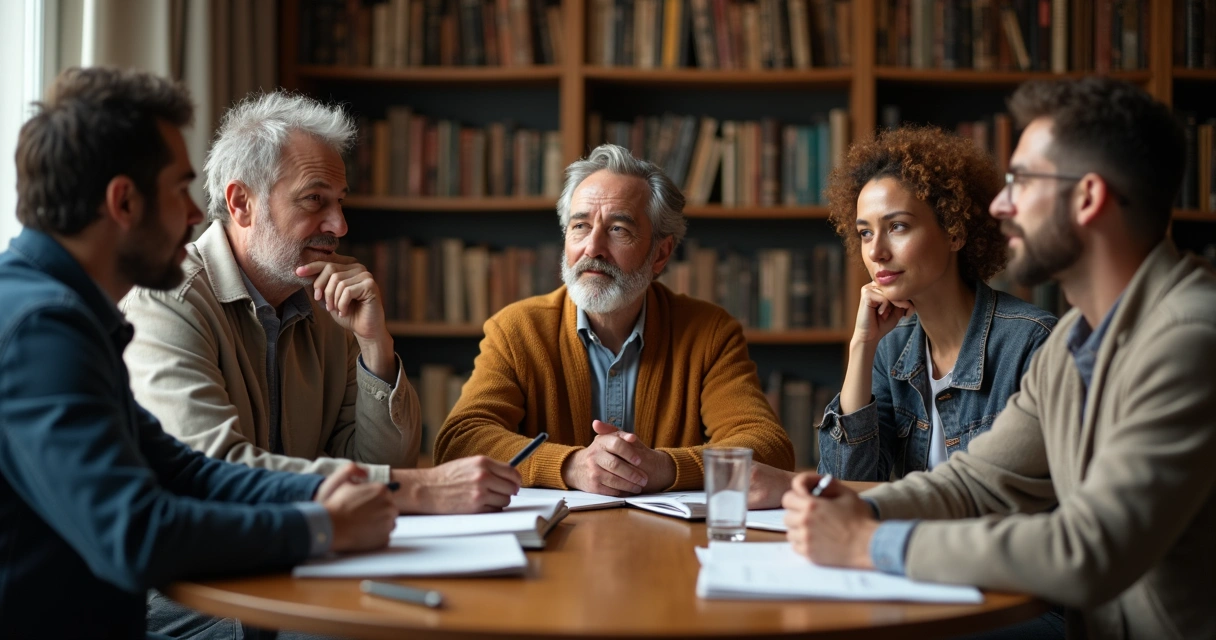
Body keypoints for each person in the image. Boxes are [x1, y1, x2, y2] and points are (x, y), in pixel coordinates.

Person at [783, 77, 1216, 639]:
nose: (1000, 204)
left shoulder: (1188, 336)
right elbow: (977, 482)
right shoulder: (1074, 342)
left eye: (1024, 181)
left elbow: (1088, 549)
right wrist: (857, 510)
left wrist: (870, 543)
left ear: (1087, 198)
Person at [0, 66, 396, 639]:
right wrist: (321, 527)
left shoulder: (64, 312)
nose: (194, 214)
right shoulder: (44, 328)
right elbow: (137, 534)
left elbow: (185, 470)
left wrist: (337, 494)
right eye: (179, 189)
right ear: (123, 201)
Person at [121, 91, 521, 517]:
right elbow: (211, 471)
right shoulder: (166, 301)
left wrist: (375, 347)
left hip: (309, 555)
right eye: (315, 199)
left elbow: (382, 469)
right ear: (242, 203)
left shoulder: (328, 306)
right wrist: (419, 489)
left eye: (340, 200)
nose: (340, 225)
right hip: (197, 576)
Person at [435, 144, 795, 498]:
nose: (592, 248)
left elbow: (768, 447)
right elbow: (460, 440)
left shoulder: (710, 333)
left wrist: (664, 467)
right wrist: (570, 465)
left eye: (618, 229)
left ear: (660, 253)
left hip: (673, 545)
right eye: (580, 226)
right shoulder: (516, 330)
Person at [817, 127, 1055, 480]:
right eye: (865, 232)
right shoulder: (890, 349)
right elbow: (847, 482)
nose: (876, 252)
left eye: (897, 226)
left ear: (955, 231)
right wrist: (862, 347)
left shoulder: (1032, 344)